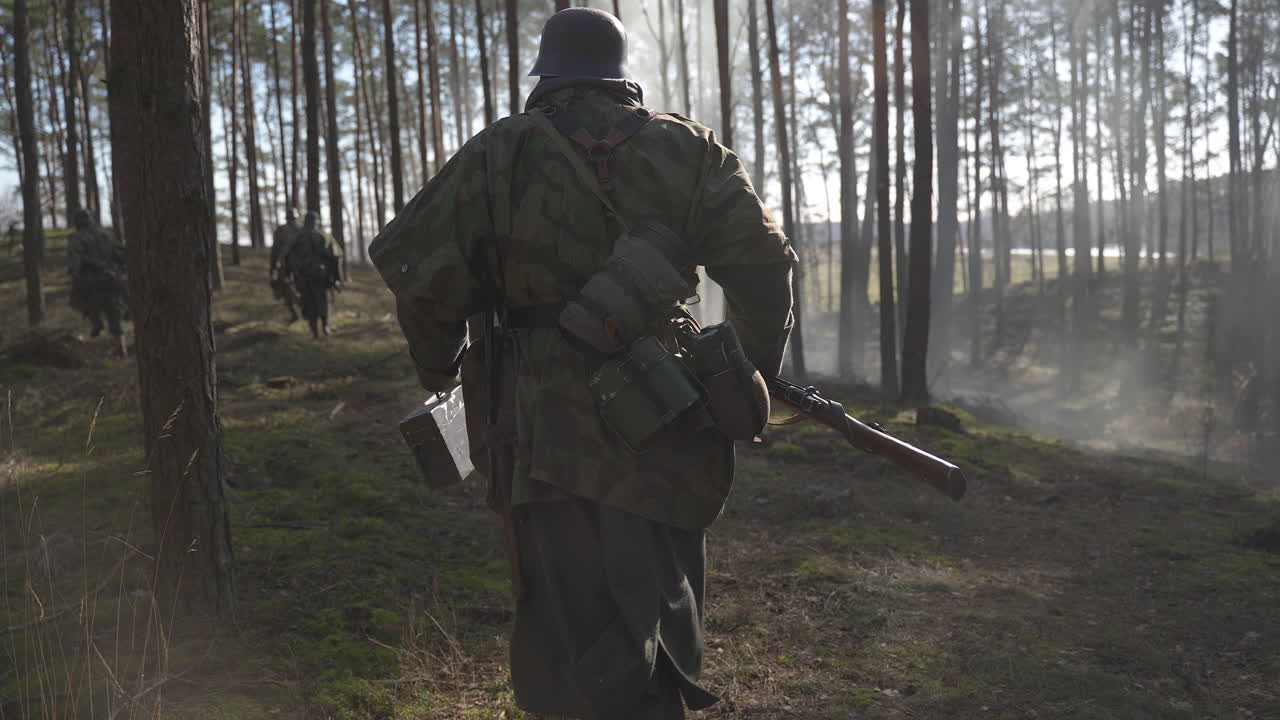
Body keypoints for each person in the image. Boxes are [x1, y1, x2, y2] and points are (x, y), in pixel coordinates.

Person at [370, 8, 794, 720]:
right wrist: (741, 375)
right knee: (662, 606)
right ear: (621, 76)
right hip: (673, 419)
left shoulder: (499, 154)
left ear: (547, 74)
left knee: (567, 630)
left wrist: (439, 369)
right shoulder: (690, 151)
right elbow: (765, 266)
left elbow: (421, 280)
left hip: (545, 438)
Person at [66, 208, 129, 357]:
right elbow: (120, 254)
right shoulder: (105, 234)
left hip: (91, 280)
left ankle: (96, 323)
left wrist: (74, 273)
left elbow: (74, 260)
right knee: (113, 310)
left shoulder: (76, 238)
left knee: (79, 299)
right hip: (111, 278)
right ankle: (121, 347)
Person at [285, 211, 341, 339]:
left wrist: (290, 274)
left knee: (309, 303)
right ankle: (324, 327)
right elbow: (335, 258)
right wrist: (336, 278)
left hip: (305, 277)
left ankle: (316, 330)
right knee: (322, 302)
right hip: (319, 276)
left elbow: (288, 256)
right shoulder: (324, 236)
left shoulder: (296, 237)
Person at [270, 208, 302, 322]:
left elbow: (274, 251)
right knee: (288, 289)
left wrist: (273, 266)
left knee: (288, 289)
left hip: (289, 266)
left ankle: (296, 313)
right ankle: (297, 313)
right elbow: (275, 250)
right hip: (294, 266)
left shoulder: (283, 230)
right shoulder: (300, 230)